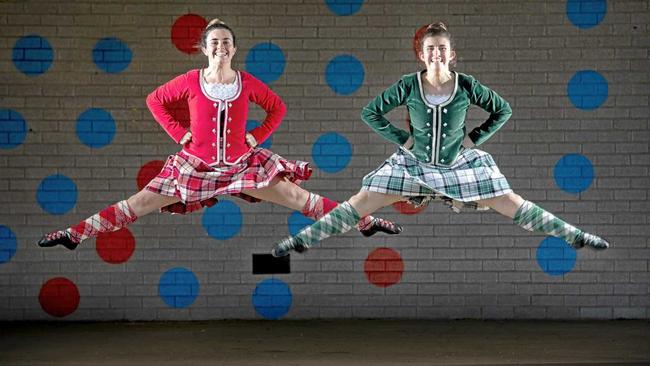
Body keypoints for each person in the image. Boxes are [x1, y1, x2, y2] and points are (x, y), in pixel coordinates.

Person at [38, 19, 401, 250]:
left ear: (234, 48)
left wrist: (257, 136)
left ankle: (365, 222)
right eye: (214, 42)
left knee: (297, 196)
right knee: (138, 204)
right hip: (193, 166)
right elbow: (155, 101)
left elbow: (277, 108)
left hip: (241, 167)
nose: (221, 47)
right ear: (205, 47)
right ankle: (74, 235)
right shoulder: (190, 81)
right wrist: (179, 133)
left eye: (226, 42)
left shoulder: (245, 83)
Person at [272, 22, 610, 257]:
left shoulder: (465, 85)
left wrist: (473, 140)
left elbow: (502, 110)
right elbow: (371, 112)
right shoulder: (408, 84)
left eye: (442, 49)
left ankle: (575, 236)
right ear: (422, 54)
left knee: (511, 203)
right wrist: (402, 139)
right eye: (430, 49)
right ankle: (300, 241)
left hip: (457, 164)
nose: (436, 54)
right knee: (358, 203)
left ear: (451, 54)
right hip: (413, 165)